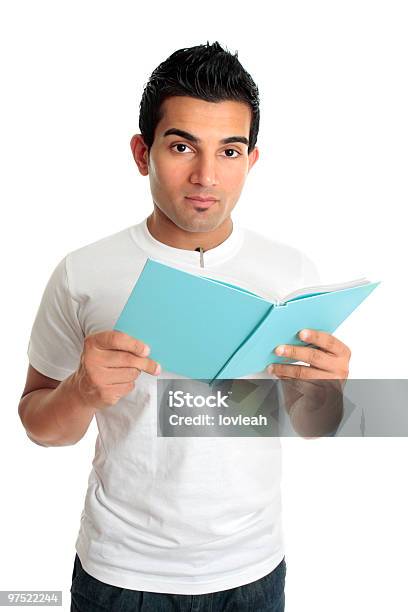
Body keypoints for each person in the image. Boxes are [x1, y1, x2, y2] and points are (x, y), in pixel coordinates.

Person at [18, 41, 350, 612]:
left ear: (251, 160)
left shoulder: (293, 274)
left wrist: (327, 393)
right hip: (120, 572)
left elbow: (314, 425)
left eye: (228, 151)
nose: (205, 176)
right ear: (142, 153)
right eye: (181, 146)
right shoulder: (84, 272)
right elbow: (41, 426)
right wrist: (80, 392)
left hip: (252, 572)